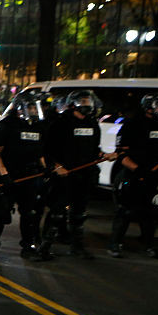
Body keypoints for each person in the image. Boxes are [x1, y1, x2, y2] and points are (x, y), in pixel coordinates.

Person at [40, 89, 113, 260]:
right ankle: (44, 247)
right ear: (73, 105)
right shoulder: (60, 123)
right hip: (64, 176)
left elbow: (94, 150)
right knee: (57, 212)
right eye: (84, 102)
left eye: (89, 102)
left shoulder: (92, 124)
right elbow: (46, 150)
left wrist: (104, 155)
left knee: (79, 213)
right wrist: (56, 166)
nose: (87, 105)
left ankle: (77, 247)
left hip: (84, 175)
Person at [107, 93, 158, 259]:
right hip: (133, 175)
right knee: (125, 211)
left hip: (155, 176)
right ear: (148, 108)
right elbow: (121, 154)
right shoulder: (132, 125)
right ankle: (115, 244)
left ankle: (149, 245)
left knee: (151, 212)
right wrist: (137, 170)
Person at [0, 92, 48, 262]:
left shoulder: (38, 126)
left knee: (29, 214)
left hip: (30, 176)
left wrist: (45, 169)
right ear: (20, 108)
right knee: (0, 212)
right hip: (9, 175)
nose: (34, 110)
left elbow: (40, 151)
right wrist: (4, 175)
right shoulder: (7, 125)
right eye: (30, 107)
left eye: (35, 107)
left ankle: (27, 247)